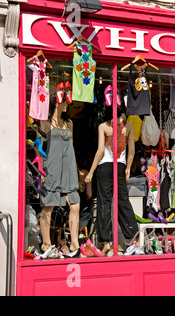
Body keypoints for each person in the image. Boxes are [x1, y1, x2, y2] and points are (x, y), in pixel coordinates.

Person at [85, 105, 139, 255]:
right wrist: (128, 167)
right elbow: (131, 151)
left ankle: (107, 242)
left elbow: (101, 150)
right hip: (119, 167)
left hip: (105, 167)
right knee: (122, 201)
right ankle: (132, 239)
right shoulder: (127, 126)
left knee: (105, 203)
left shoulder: (104, 126)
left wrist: (91, 171)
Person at [39, 94, 80, 257]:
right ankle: (46, 244)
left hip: (68, 168)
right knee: (48, 205)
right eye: (63, 102)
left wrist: (76, 170)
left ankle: (75, 244)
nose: (66, 105)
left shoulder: (69, 123)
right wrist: (41, 170)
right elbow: (39, 147)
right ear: (55, 103)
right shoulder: (46, 124)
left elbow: (72, 148)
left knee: (75, 204)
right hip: (53, 167)